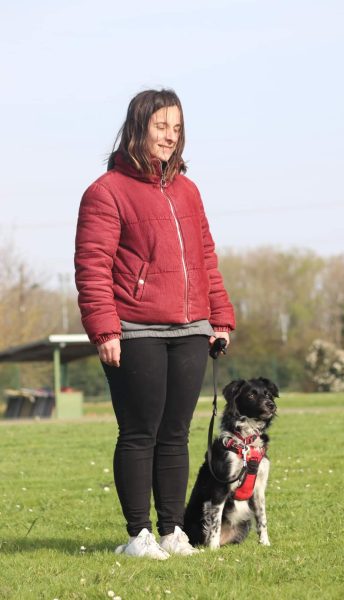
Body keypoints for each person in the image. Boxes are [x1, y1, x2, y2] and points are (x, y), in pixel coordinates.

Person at [74, 89, 235, 559]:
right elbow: (92, 266)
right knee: (140, 432)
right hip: (135, 327)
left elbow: (206, 257)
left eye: (177, 128)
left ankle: (171, 532)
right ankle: (138, 535)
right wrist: (105, 329)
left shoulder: (188, 190)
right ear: (138, 126)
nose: (170, 136)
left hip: (190, 327)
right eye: (161, 126)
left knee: (176, 434)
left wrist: (219, 316)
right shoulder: (106, 191)